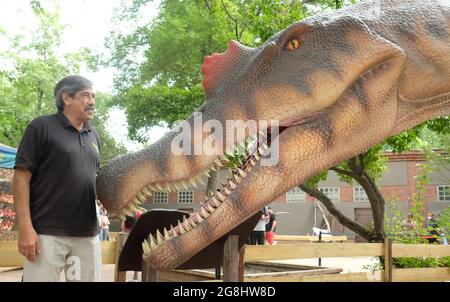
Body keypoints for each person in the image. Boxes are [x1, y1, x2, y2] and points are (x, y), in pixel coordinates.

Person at [13, 75, 101, 282]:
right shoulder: (41, 127)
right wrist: (25, 228)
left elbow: (94, 178)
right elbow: (21, 177)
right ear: (66, 98)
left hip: (87, 233)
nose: (92, 101)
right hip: (46, 233)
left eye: (94, 96)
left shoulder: (93, 134)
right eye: (86, 95)